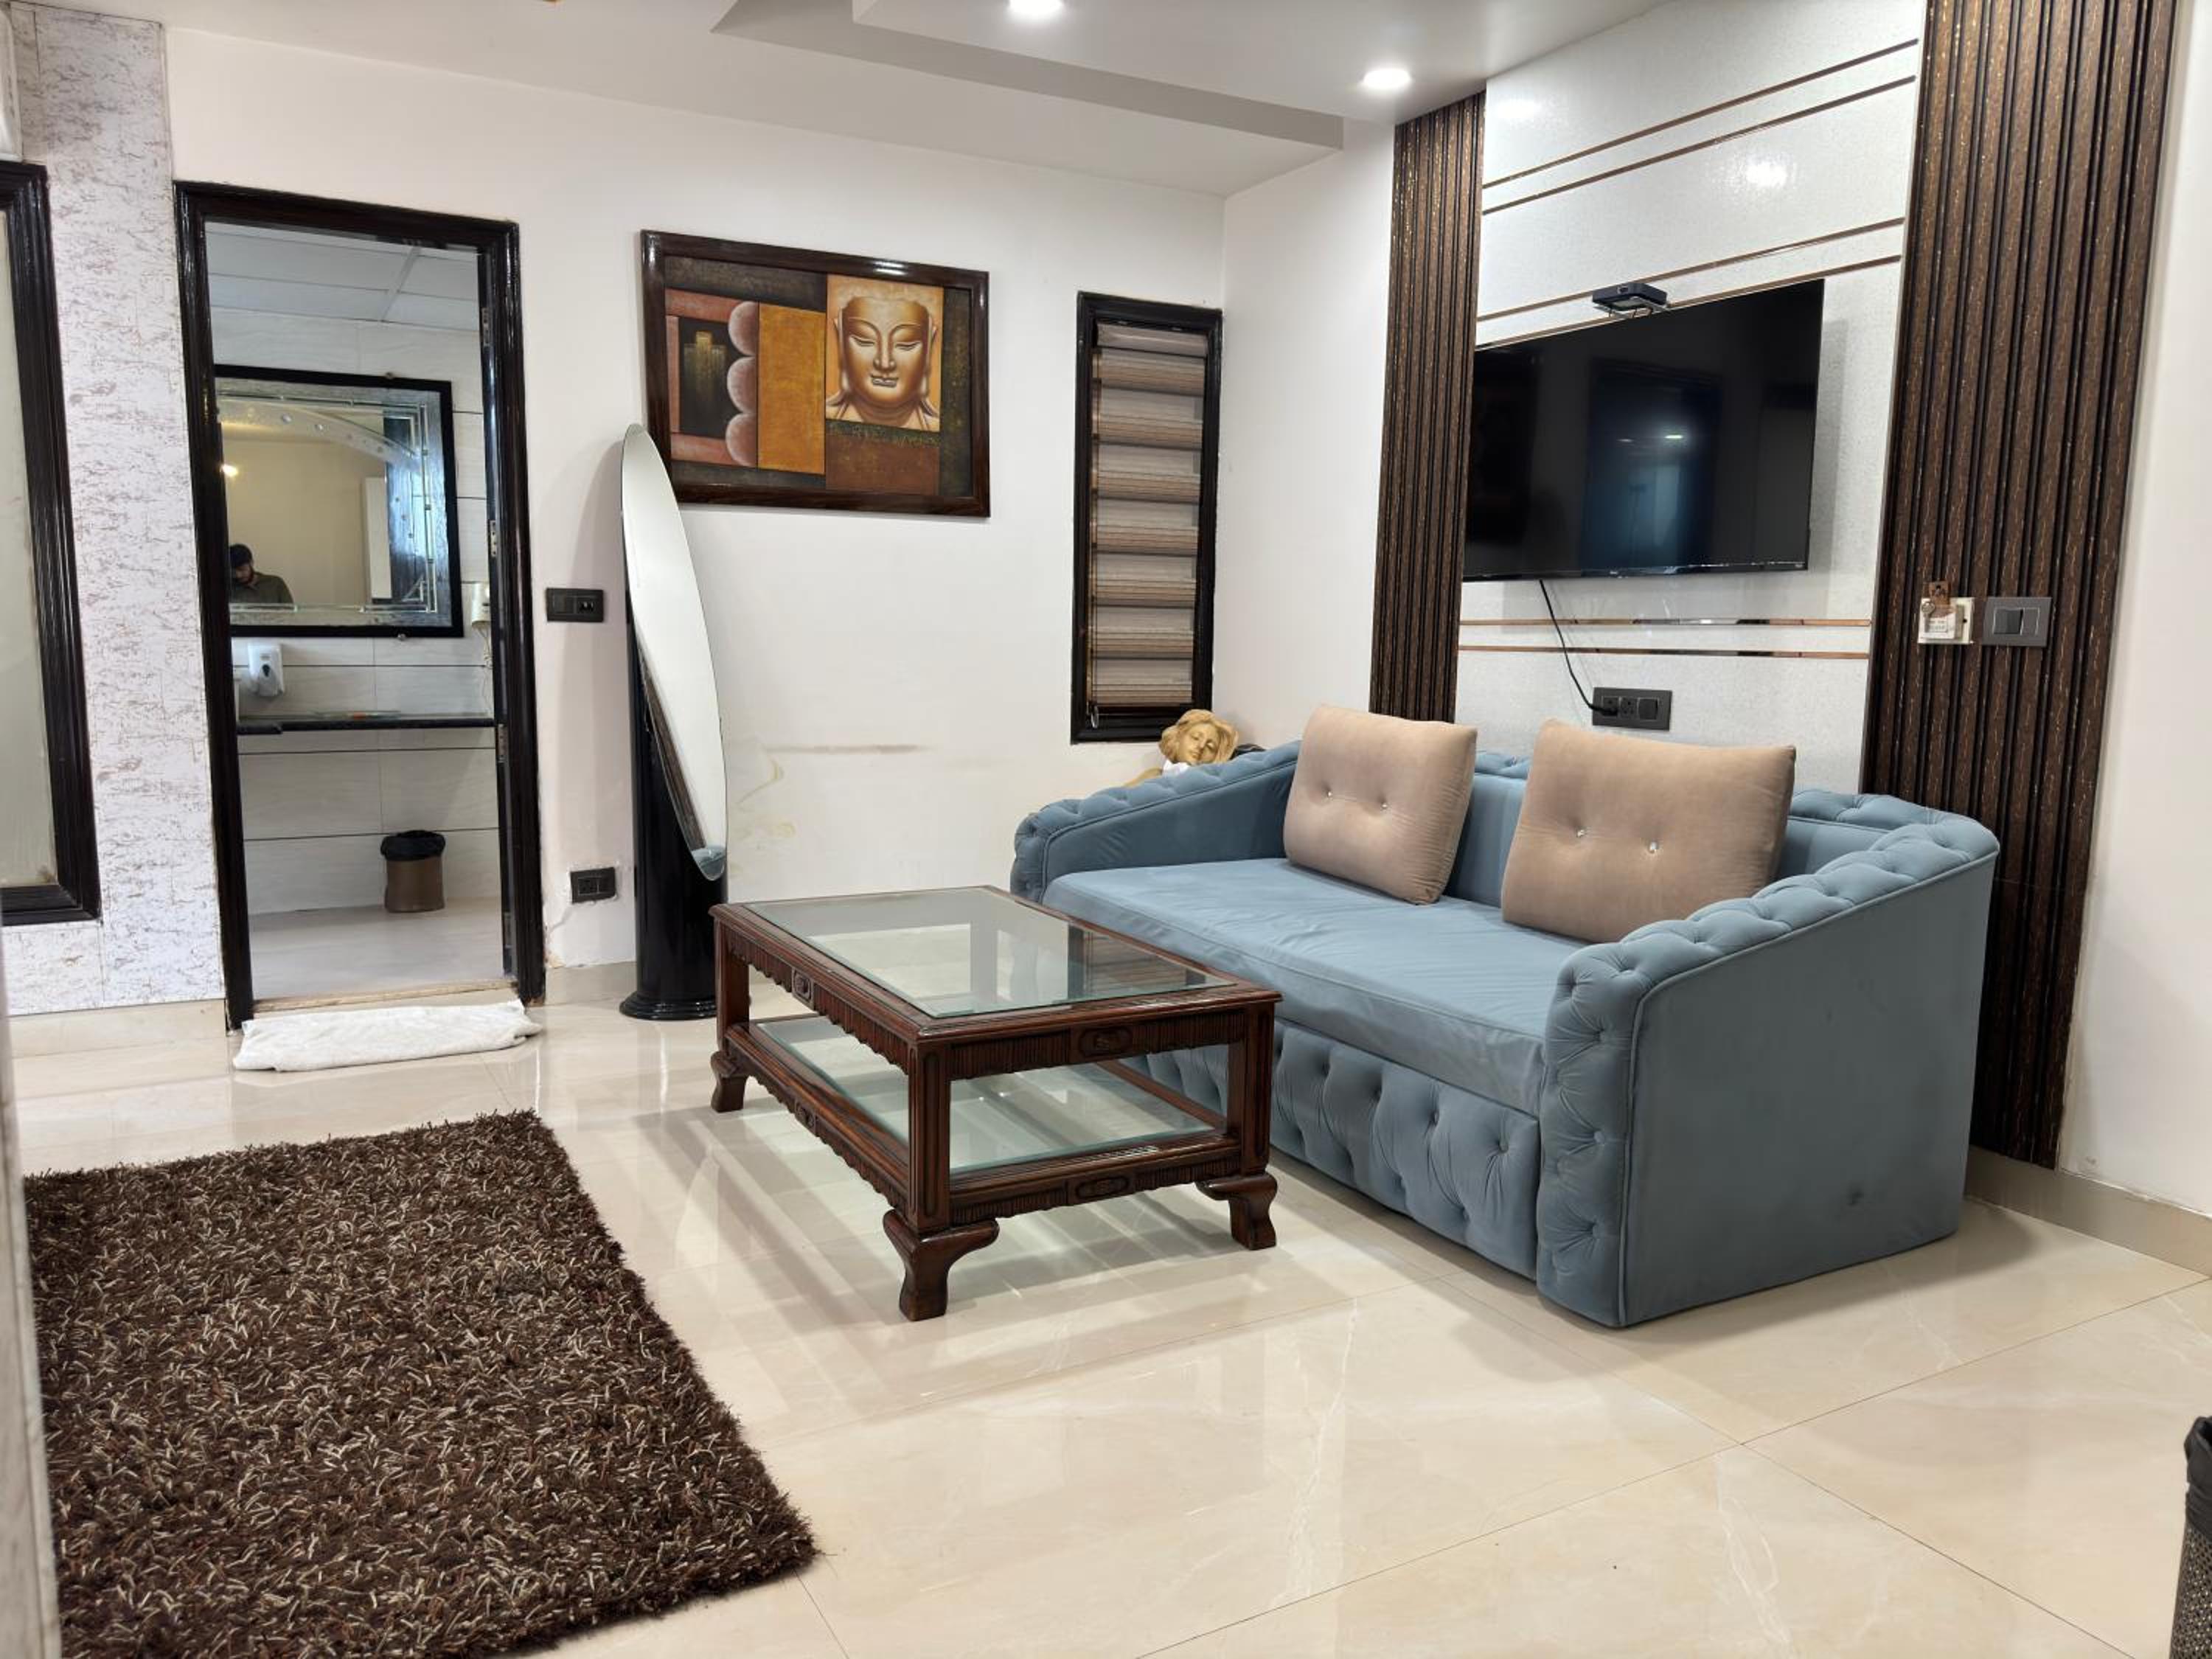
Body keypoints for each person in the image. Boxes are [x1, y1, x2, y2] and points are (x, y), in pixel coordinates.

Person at [228, 543, 293, 605]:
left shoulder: (275, 584)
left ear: (251, 563)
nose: (238, 575)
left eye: (242, 570)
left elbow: (289, 611)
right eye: (233, 572)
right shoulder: (229, 588)